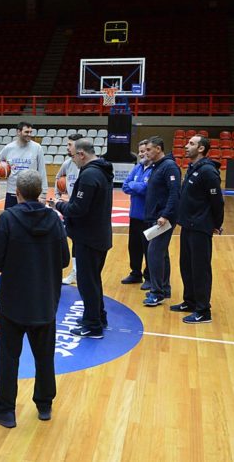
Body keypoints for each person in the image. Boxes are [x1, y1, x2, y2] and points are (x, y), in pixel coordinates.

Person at [0, 170, 69, 428]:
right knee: (45, 356)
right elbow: (65, 260)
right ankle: (44, 405)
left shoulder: (8, 218)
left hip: (12, 301)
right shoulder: (54, 220)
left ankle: (6, 410)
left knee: (9, 357)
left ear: (17, 193)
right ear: (40, 193)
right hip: (44, 299)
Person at [51, 138, 113, 338]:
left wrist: (57, 205)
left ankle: (92, 325)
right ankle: (98, 316)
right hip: (98, 234)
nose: (73, 161)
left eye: (73, 156)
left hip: (89, 237)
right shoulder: (102, 171)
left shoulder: (89, 175)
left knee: (87, 283)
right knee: (93, 280)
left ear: (81, 154)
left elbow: (78, 209)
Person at [171, 135, 224, 324]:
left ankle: (203, 310)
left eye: (191, 144)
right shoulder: (193, 168)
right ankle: (190, 301)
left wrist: (216, 224)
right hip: (187, 225)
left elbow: (217, 201)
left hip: (200, 227)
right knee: (187, 266)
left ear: (201, 149)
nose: (186, 146)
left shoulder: (208, 171)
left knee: (200, 269)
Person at [142, 136, 181, 306]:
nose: (146, 153)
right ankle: (164, 288)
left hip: (164, 218)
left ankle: (156, 292)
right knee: (161, 253)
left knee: (154, 252)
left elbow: (174, 193)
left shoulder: (169, 167)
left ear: (158, 149)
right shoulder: (157, 166)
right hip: (157, 216)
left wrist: (165, 215)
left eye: (149, 149)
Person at [0, 121, 48, 209]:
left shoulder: (37, 148)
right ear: (18, 132)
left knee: (29, 221)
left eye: (31, 132)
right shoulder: (9, 148)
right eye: (26, 132)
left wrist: (43, 194)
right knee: (10, 220)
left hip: (30, 194)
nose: (29, 134)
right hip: (12, 192)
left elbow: (42, 172)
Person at [121, 140, 152, 288]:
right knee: (134, 246)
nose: (141, 154)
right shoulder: (137, 167)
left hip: (148, 216)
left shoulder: (155, 169)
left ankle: (149, 276)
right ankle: (135, 273)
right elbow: (125, 186)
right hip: (134, 215)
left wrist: (135, 186)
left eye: (144, 150)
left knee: (148, 248)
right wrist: (137, 187)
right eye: (139, 151)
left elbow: (148, 189)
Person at [56, 133, 82, 285]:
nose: (67, 147)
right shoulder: (67, 164)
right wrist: (59, 197)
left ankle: (81, 272)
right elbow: (58, 179)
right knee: (73, 240)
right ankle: (75, 272)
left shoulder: (85, 165)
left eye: (69, 145)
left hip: (81, 208)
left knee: (81, 242)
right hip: (70, 208)